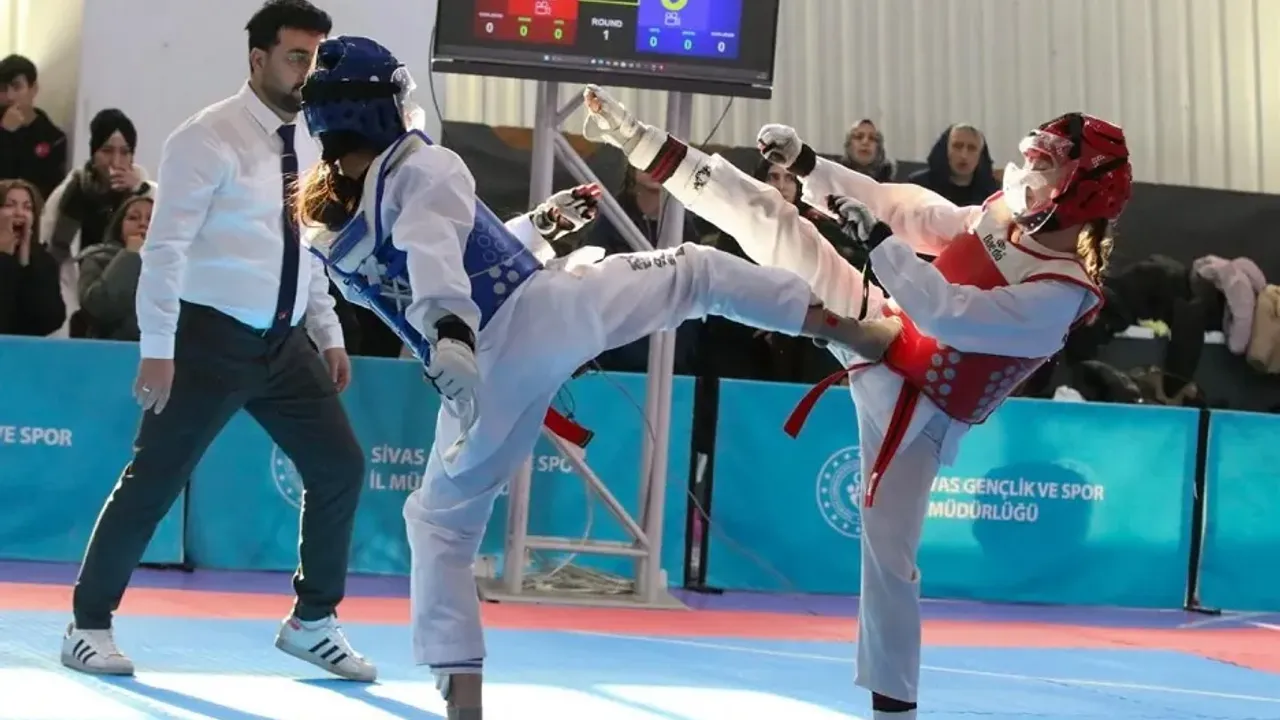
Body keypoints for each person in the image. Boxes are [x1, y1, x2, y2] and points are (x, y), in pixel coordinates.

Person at [293, 36, 899, 719]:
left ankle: (463, 695)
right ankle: (854, 331)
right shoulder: (422, 166)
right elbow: (436, 264)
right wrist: (450, 332)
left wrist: (537, 228)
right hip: (533, 318)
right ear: (380, 106)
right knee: (697, 273)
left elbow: (447, 255)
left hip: (479, 385)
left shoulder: (330, 226)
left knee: (438, 528)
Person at [582, 86, 1132, 720]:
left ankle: (893, 712)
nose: (1029, 172)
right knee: (770, 219)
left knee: (889, 565)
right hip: (880, 321)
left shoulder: (1061, 294)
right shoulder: (999, 214)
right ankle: (637, 139)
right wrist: (811, 167)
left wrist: (879, 244)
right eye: (1034, 157)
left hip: (918, 408)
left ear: (1082, 190)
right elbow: (905, 210)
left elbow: (949, 313)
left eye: (1047, 164)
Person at [61, 0, 376, 683]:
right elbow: (165, 249)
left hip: (286, 343)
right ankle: (87, 626)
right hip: (208, 340)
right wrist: (158, 347)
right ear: (259, 58)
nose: (309, 72)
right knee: (153, 481)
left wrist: (326, 331)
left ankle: (313, 621)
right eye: (297, 57)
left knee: (340, 467)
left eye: (318, 59)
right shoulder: (205, 138)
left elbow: (306, 245)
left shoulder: (314, 140)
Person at [0, 178, 65, 335]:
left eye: (27, 207)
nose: (19, 213)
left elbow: (51, 320)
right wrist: (4, 257)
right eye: (9, 205)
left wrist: (26, 262)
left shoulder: (44, 261)